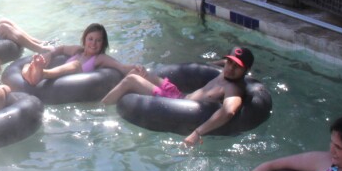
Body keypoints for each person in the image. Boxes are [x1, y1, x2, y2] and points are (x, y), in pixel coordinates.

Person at [101, 46, 254, 147]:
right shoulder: (225, 72)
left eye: (237, 66)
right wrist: (212, 62)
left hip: (174, 103)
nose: (230, 68)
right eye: (229, 63)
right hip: (179, 95)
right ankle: (111, 96)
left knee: (131, 80)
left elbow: (228, 112)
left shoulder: (234, 88)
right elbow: (225, 63)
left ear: (245, 70)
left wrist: (197, 133)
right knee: (139, 72)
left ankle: (101, 107)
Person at [20, 23, 140, 86]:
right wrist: (50, 55)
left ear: (103, 43)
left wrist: (136, 68)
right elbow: (61, 48)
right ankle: (32, 75)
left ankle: (42, 73)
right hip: (60, 78)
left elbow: (121, 67)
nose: (93, 43)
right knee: (26, 65)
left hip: (74, 81)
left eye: (98, 40)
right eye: (90, 39)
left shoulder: (100, 58)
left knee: (76, 65)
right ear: (85, 39)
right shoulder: (78, 51)